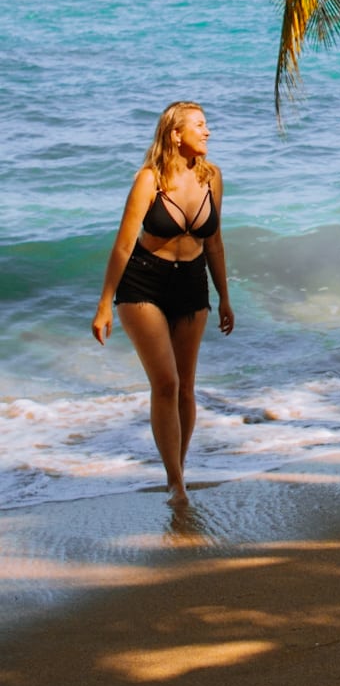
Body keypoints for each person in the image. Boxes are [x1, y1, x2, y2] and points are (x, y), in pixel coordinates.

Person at [92, 102, 234, 503]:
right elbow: (123, 244)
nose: (208, 133)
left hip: (191, 283)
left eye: (207, 126)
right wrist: (105, 304)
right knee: (166, 383)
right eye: (200, 126)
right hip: (144, 284)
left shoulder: (212, 178)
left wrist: (224, 296)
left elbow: (214, 243)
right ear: (176, 134)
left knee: (187, 387)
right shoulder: (148, 180)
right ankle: (176, 484)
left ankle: (178, 471)